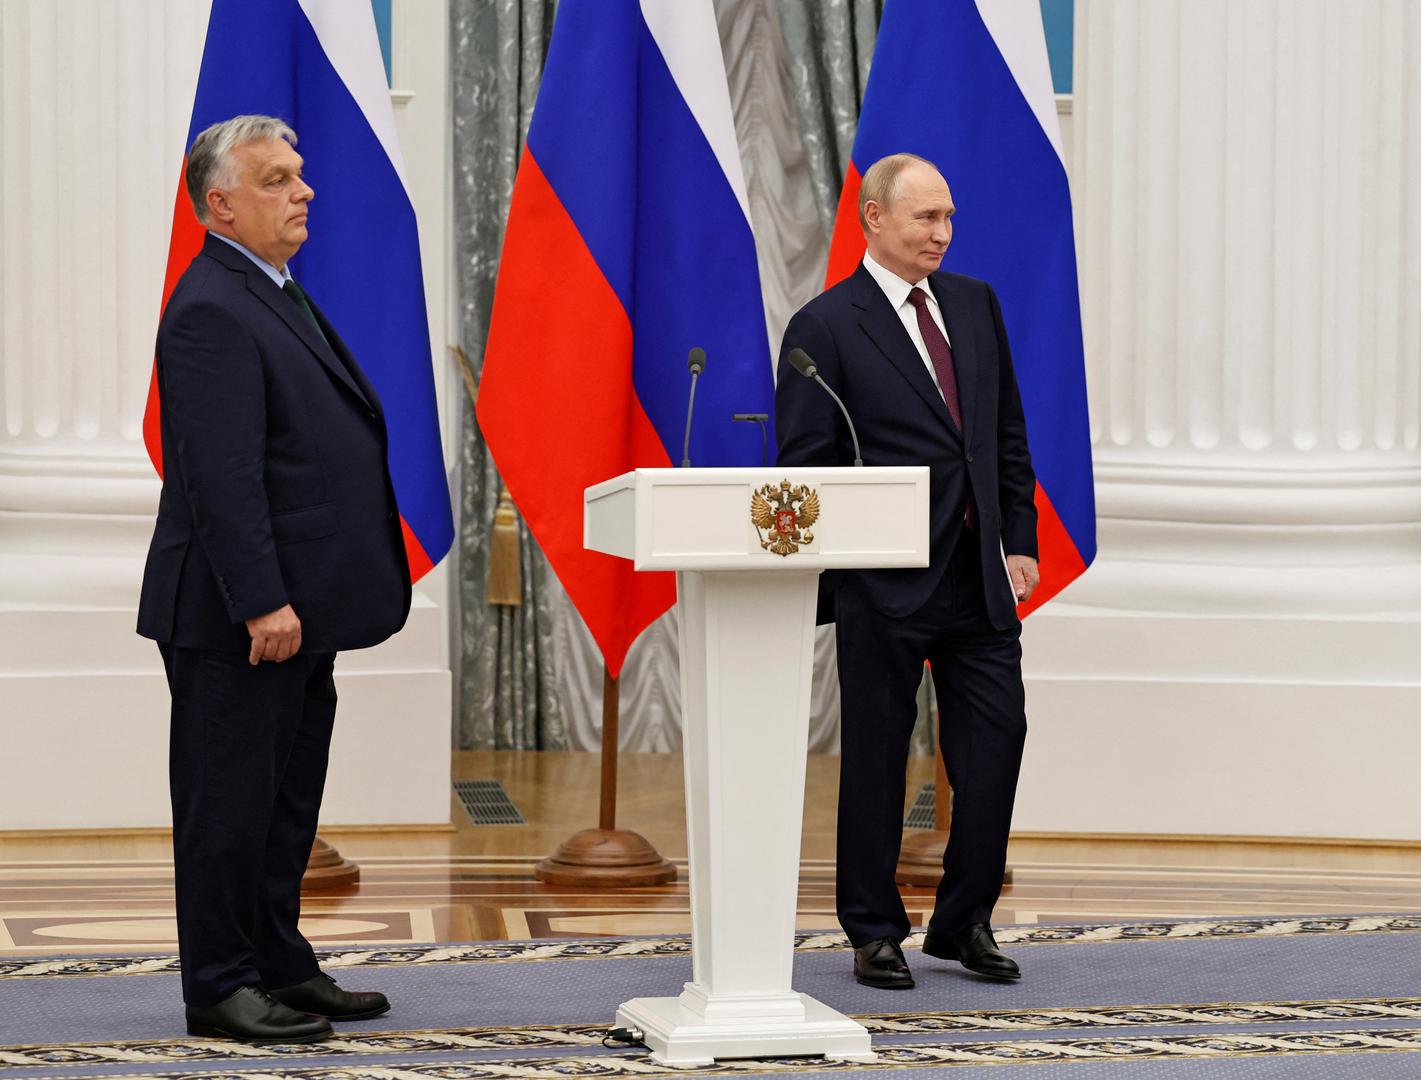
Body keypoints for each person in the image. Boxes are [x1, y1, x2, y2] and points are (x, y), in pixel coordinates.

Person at [137, 115, 411, 1042]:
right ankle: (218, 984)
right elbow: (221, 473)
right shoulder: (213, 303)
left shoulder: (271, 289)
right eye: (277, 179)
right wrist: (261, 598)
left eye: (299, 174)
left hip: (303, 609)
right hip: (240, 615)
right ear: (220, 203)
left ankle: (278, 964)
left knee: (286, 804)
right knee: (227, 807)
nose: (303, 191)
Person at [776, 153, 1040, 990]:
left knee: (996, 745)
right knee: (877, 759)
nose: (942, 233)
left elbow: (1004, 436)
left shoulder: (974, 303)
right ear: (873, 218)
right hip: (884, 583)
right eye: (925, 218)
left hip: (978, 575)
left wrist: (1020, 539)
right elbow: (806, 469)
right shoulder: (823, 327)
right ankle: (873, 929)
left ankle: (962, 923)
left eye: (948, 217)